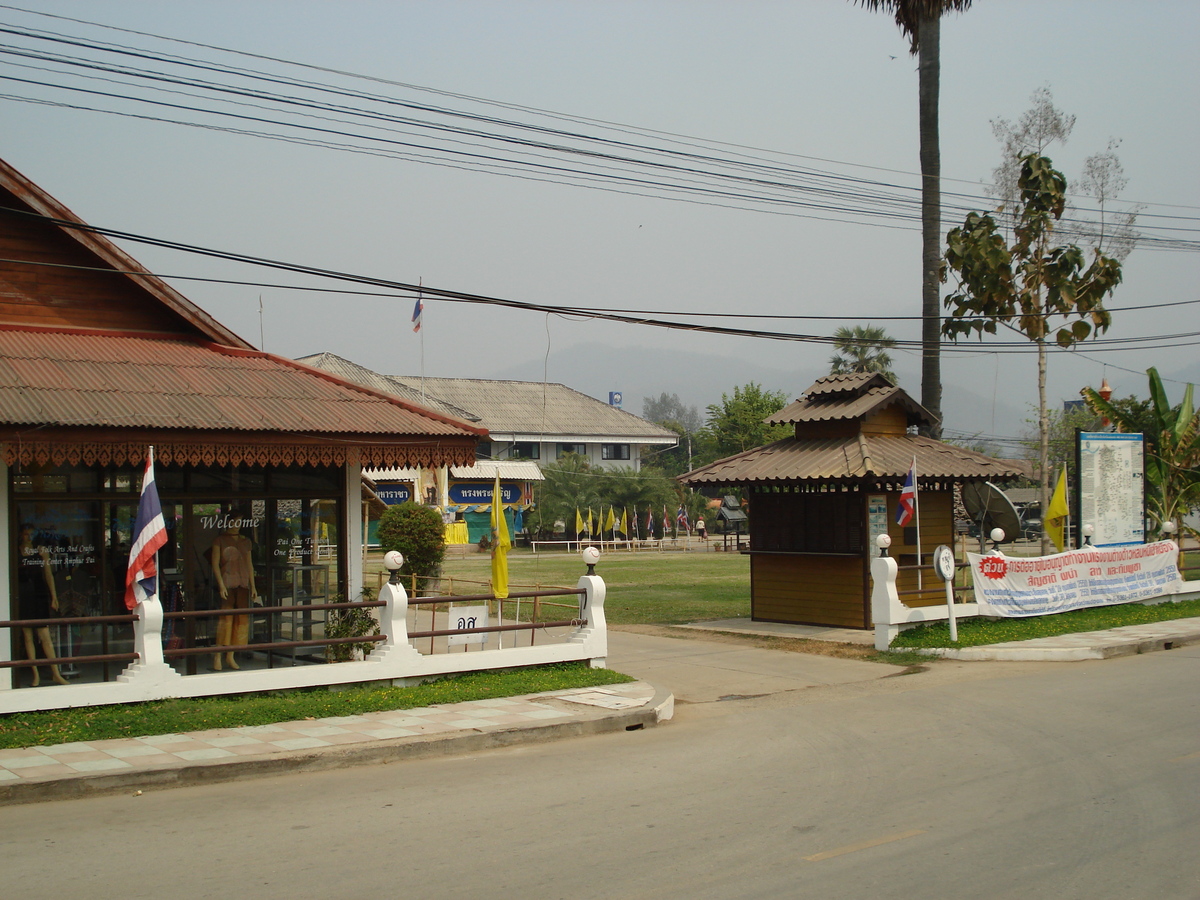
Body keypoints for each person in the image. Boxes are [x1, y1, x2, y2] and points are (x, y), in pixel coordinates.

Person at [16, 525, 68, 686]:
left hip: (39, 594)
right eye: (26, 534)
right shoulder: (16, 551)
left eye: (31, 534)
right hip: (23, 594)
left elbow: (48, 574)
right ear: (20, 535)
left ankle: (55, 673)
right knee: (28, 637)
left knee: (45, 636)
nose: (28, 537)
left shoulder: (40, 551)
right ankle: (35, 674)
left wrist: (54, 596)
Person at [210, 520, 257, 671]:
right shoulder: (220, 540)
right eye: (234, 522)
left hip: (243, 583)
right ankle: (218, 655)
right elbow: (215, 563)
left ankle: (231, 656)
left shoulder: (245, 541)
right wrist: (221, 585)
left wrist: (253, 586)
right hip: (228, 583)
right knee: (226, 620)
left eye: (239, 522)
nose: (237, 525)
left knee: (241, 620)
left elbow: (250, 564)